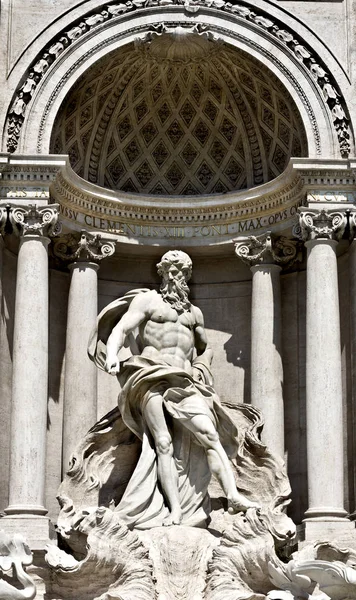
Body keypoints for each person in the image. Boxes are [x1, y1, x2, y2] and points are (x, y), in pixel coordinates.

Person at [89, 250, 258, 528]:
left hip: (184, 381)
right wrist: (112, 355)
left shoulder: (194, 314)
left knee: (210, 434)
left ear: (187, 276)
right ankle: (175, 510)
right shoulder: (148, 301)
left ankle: (233, 495)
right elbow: (121, 328)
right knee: (163, 443)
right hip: (150, 376)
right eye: (168, 269)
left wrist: (202, 367)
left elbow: (205, 349)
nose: (173, 275)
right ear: (161, 272)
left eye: (179, 271)